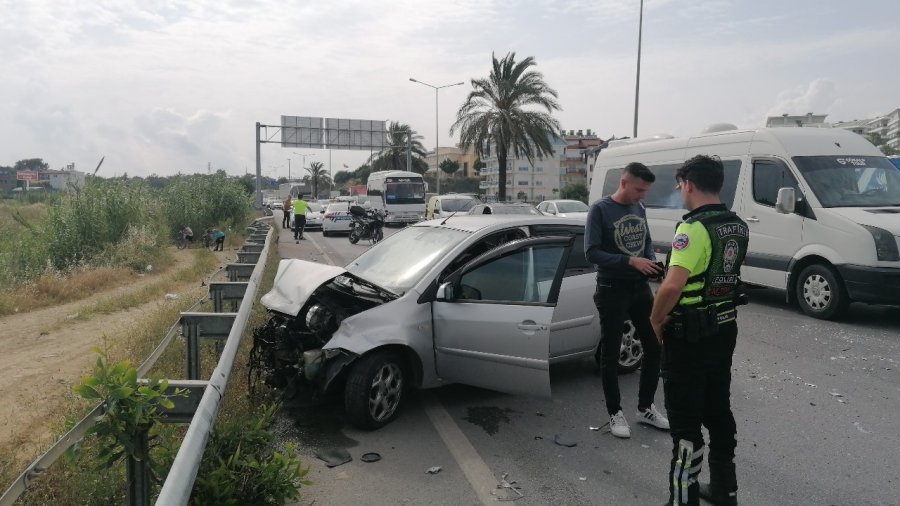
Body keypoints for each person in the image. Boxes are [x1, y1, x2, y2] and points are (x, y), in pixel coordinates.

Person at [650, 155, 749, 506]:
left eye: (679, 186)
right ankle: (725, 490)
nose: (680, 192)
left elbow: (672, 286)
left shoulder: (692, 229)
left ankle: (683, 500)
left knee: (684, 420)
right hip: (724, 330)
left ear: (688, 184)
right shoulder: (737, 225)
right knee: (717, 407)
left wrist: (655, 318)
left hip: (689, 337)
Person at [584, 162, 668, 439]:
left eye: (646, 191)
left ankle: (645, 408)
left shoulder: (639, 208)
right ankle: (614, 412)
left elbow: (645, 240)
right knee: (610, 353)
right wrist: (630, 260)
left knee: (654, 347)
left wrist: (650, 262)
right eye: (639, 189)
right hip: (611, 288)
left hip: (639, 287)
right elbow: (591, 252)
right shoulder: (600, 209)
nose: (642, 195)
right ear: (624, 182)